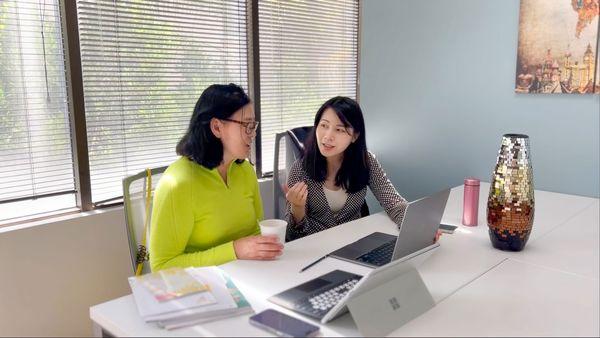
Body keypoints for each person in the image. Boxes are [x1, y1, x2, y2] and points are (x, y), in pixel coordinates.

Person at [149, 83, 283, 271]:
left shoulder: (245, 171)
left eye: (254, 125)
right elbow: (162, 266)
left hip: (249, 279)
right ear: (217, 127)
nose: (253, 133)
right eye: (247, 125)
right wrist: (234, 250)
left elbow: (254, 232)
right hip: (202, 290)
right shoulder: (177, 184)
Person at [285, 96, 439, 242]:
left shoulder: (366, 161)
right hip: (316, 249)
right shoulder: (300, 169)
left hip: (356, 244)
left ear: (354, 136)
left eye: (339, 129)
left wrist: (419, 226)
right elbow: (292, 237)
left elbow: (393, 202)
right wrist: (297, 207)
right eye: (324, 126)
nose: (327, 136)